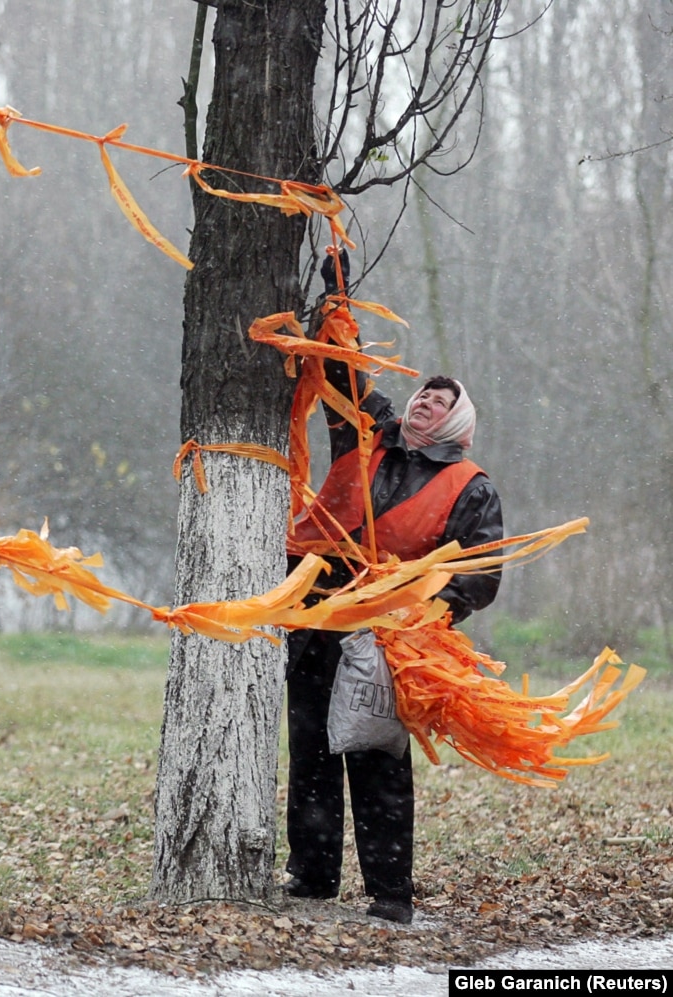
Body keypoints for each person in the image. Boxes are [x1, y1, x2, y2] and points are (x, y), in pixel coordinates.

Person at [282, 254, 503, 925]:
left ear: (456, 425)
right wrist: (338, 292)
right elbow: (346, 368)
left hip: (389, 633)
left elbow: (481, 574)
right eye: (421, 394)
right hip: (319, 609)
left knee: (376, 753)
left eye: (440, 400)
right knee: (311, 744)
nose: (423, 400)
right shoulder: (364, 434)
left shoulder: (473, 487)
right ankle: (312, 876)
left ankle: (389, 895)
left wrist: (420, 610)